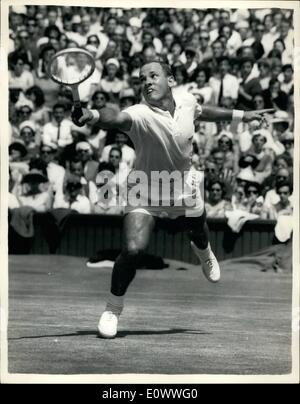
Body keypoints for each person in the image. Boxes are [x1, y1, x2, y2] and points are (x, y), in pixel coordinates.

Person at [73, 60, 273, 339]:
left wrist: (244, 115)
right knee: (133, 250)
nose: (147, 82)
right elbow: (115, 117)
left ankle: (204, 255)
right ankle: (112, 308)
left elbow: (204, 113)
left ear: (171, 80)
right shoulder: (139, 114)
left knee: (199, 232)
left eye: (153, 76)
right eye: (142, 78)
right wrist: (93, 114)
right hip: (144, 188)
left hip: (183, 184)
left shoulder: (187, 100)